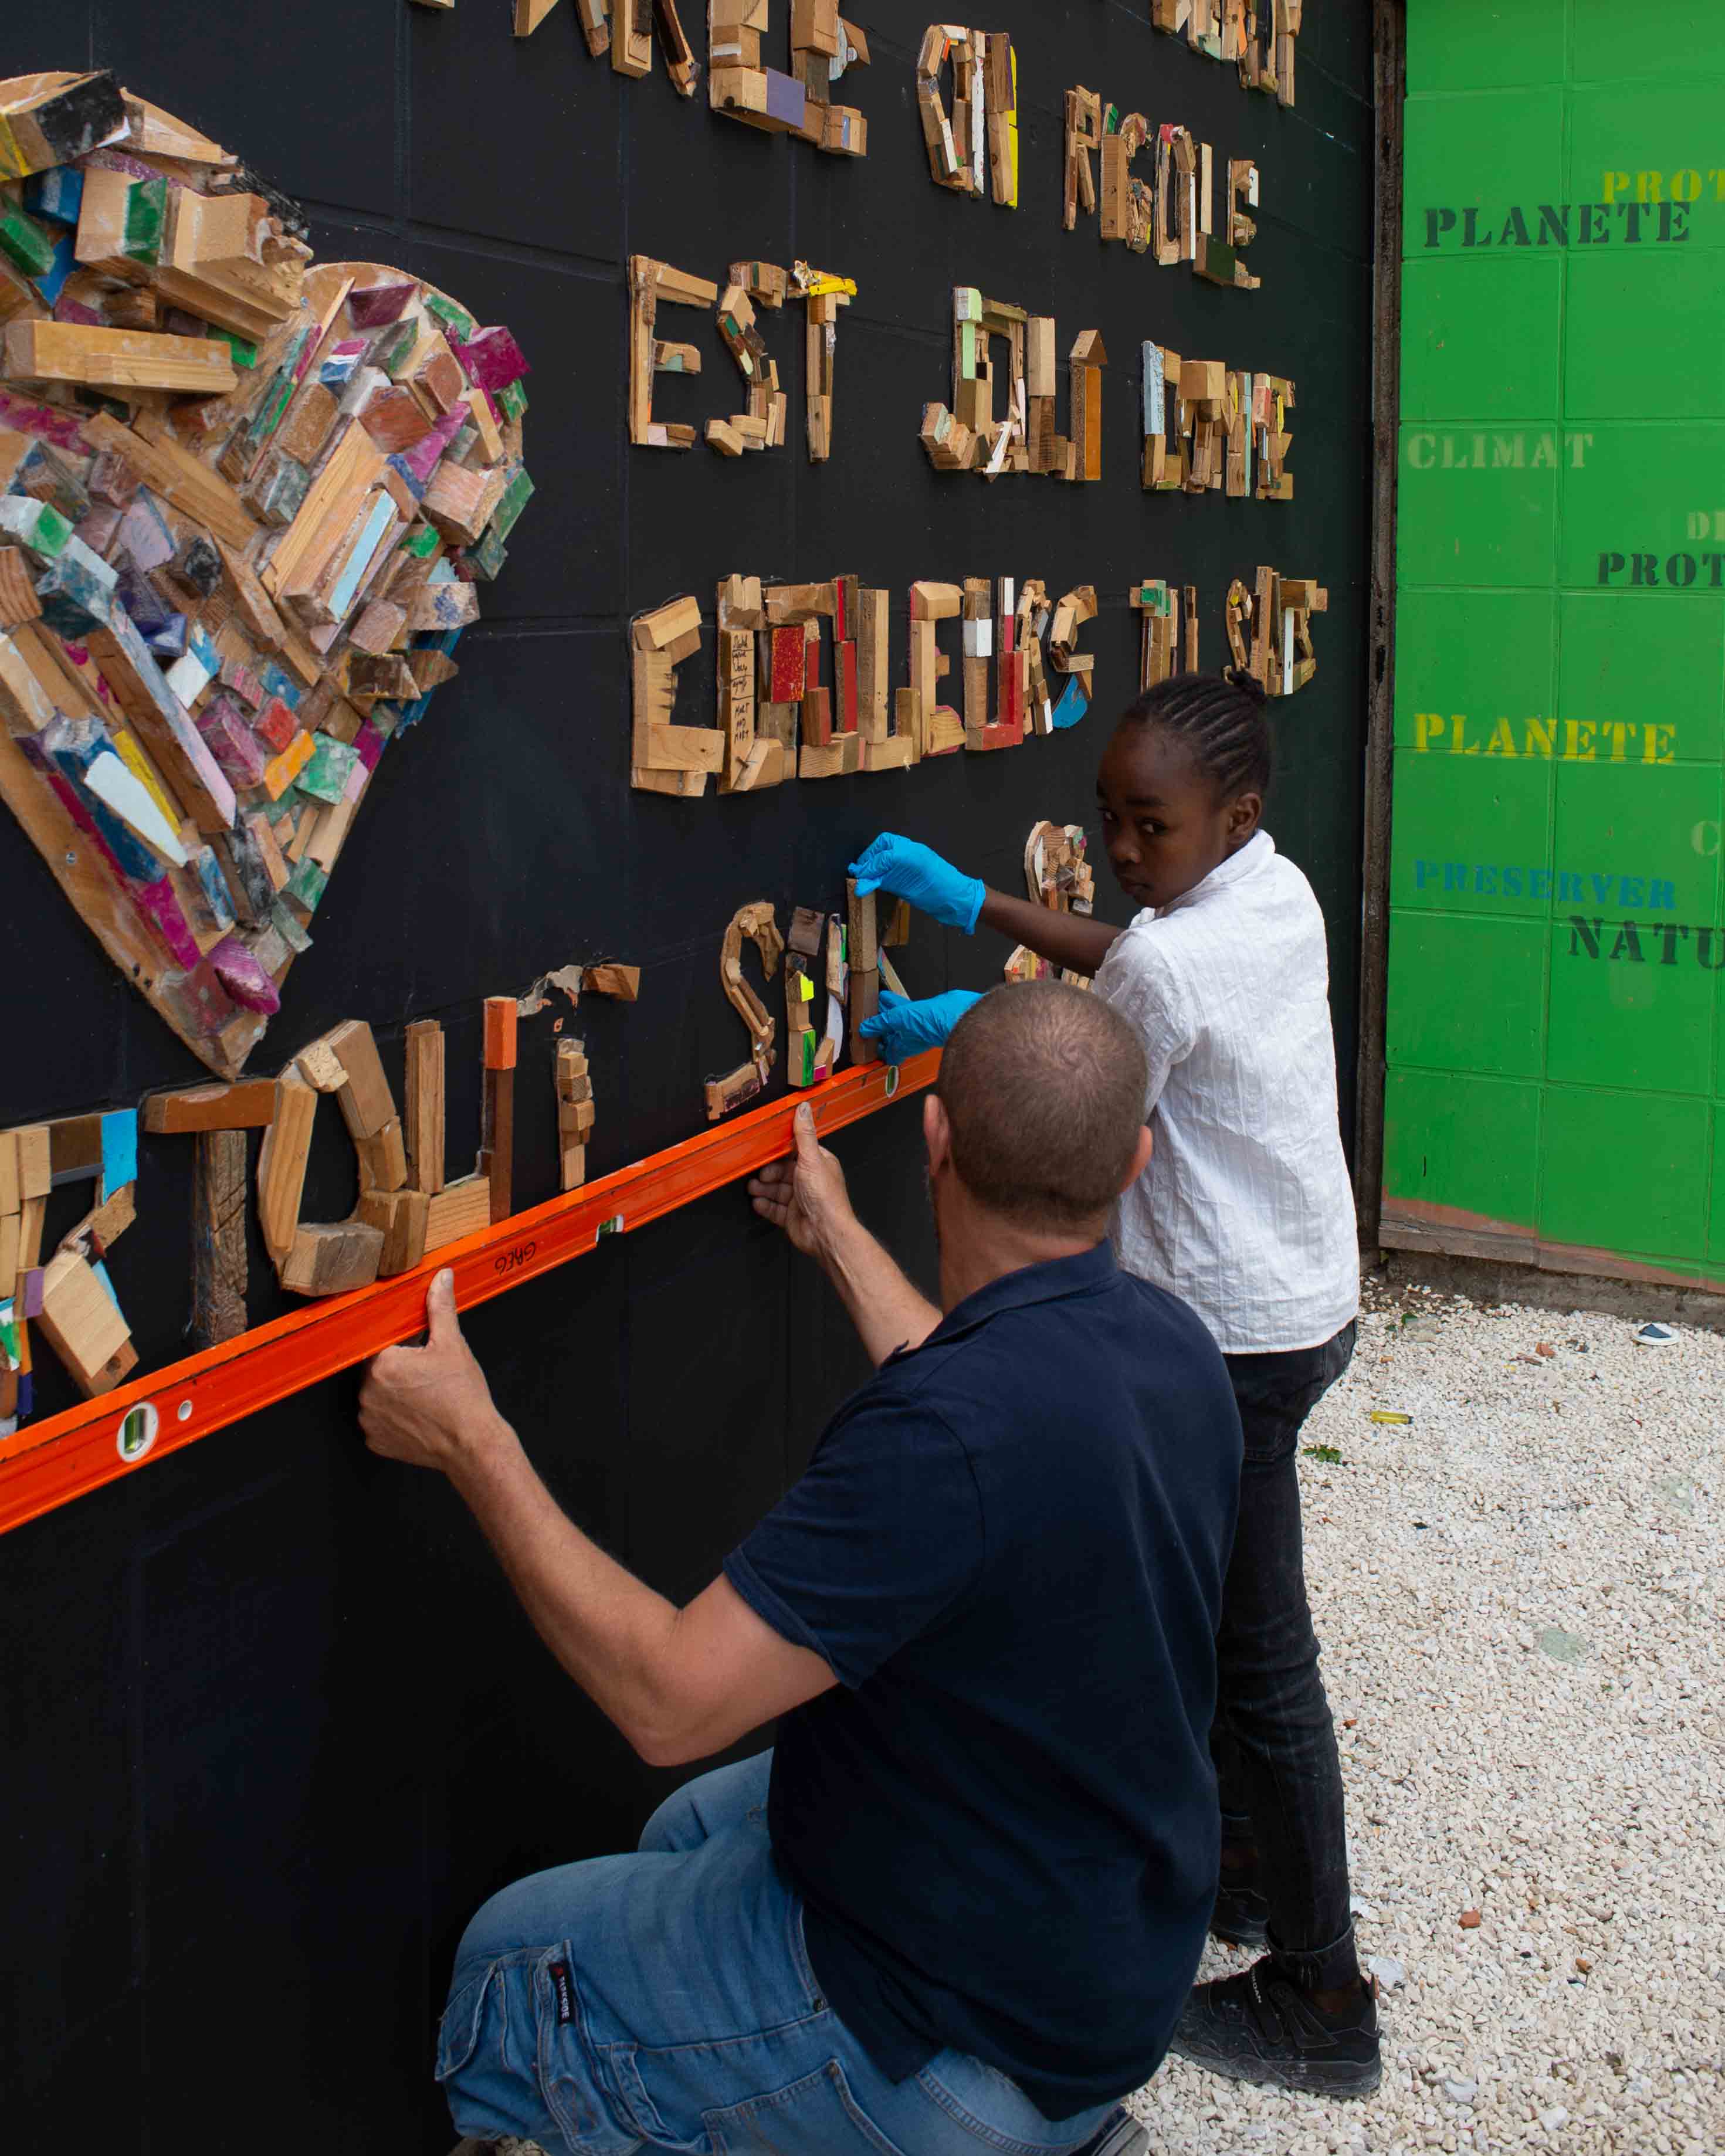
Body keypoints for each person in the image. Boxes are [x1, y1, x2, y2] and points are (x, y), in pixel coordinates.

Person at [360, 981, 1242, 2156]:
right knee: (684, 1829)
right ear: (1134, 1158)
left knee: (512, 1960)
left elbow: (668, 1700)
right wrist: (834, 1230)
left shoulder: (940, 1441)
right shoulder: (1172, 1349)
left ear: (934, 1133)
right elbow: (987, 1401)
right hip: (1102, 1962)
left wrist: (472, 1436)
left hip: (959, 2042)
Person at [848, 670, 1379, 2099]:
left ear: (1234, 813)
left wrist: (968, 1025)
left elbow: (1087, 1069)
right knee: (1219, 1620)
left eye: (1147, 828)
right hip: (1305, 1296)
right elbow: (1137, 954)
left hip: (1234, 1332)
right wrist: (980, 905)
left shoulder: (1172, 954)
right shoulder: (1275, 890)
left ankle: (1324, 1992)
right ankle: (1251, 1881)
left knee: (1262, 1658)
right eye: (1107, 822)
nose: (1120, 854)